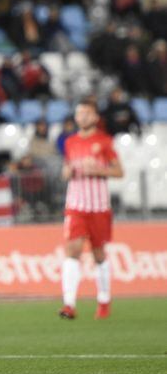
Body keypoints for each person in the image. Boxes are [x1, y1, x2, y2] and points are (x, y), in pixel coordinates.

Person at [59, 97, 123, 320]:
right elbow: (66, 169)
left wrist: (99, 170)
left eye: (86, 113)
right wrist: (66, 172)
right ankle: (69, 304)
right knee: (72, 250)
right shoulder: (70, 142)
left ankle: (104, 300)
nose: (82, 117)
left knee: (98, 255)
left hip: (99, 207)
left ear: (95, 117)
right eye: (79, 113)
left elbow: (119, 172)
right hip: (76, 205)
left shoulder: (104, 141)